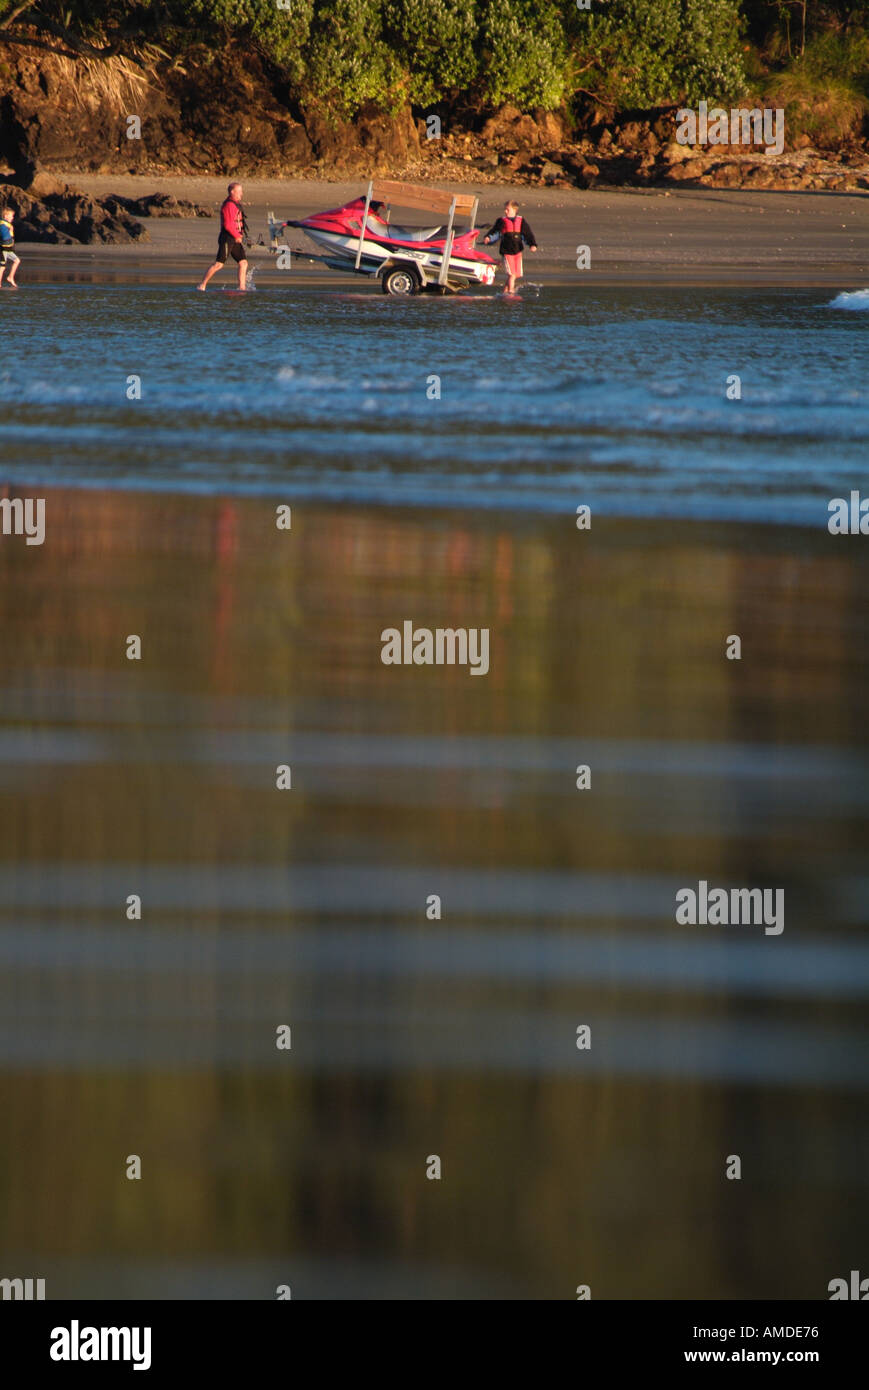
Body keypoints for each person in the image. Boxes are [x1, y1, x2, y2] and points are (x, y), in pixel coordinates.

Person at [197, 182, 250, 291]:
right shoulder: (229, 205)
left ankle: (242, 288)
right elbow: (228, 225)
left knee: (243, 262)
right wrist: (237, 235)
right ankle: (202, 285)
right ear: (232, 192)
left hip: (235, 238)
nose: (241, 194)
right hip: (227, 238)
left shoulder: (235, 204)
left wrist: (240, 236)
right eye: (239, 191)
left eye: (241, 191)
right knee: (219, 265)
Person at [482, 199, 537, 294]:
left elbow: (528, 234)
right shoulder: (501, 221)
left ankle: (505, 292)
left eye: (508, 209)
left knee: (516, 275)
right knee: (512, 274)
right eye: (505, 209)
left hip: (518, 251)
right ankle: (511, 292)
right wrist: (488, 237)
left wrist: (532, 244)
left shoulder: (521, 221)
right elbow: (495, 231)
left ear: (515, 210)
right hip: (507, 251)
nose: (505, 211)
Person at [0, 207, 21, 289]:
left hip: (8, 249)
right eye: (11, 216)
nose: (12, 218)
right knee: (2, 266)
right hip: (2, 248)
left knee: (17, 260)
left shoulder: (8, 225)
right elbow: (5, 238)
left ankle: (10, 277)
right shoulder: (2, 225)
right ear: (5, 216)